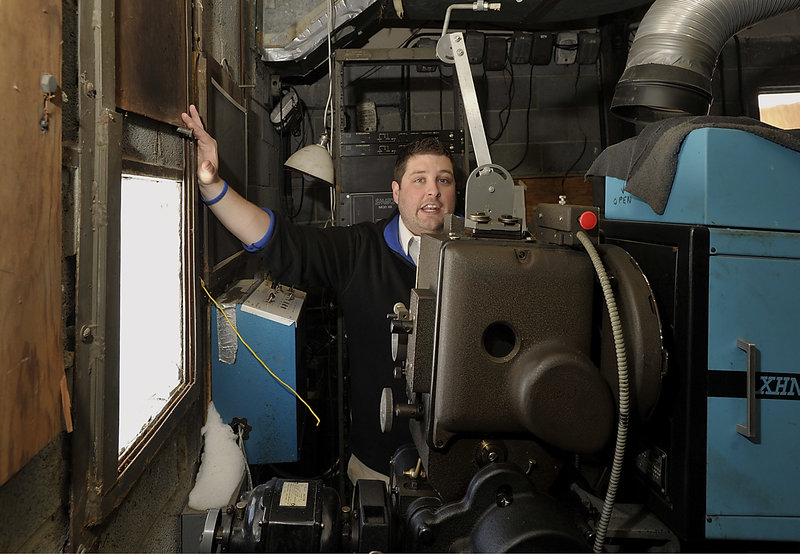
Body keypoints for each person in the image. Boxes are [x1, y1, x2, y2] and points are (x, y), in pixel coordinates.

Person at [181, 104, 458, 483]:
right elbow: (280, 241)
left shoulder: (476, 261)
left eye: (444, 180)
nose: (433, 191)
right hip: (378, 466)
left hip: (458, 469)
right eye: (419, 179)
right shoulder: (361, 250)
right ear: (395, 192)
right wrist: (212, 185)